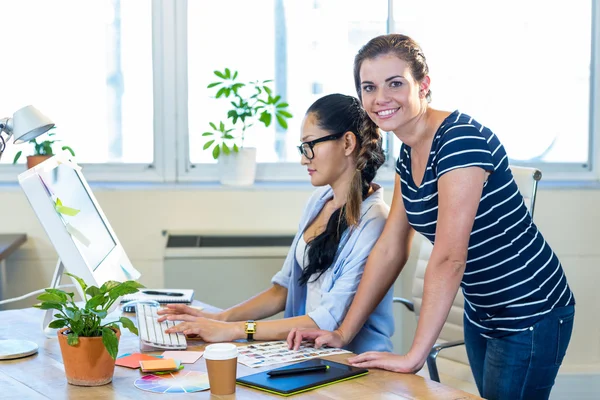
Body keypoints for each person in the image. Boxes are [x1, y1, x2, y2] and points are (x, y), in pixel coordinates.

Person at [287, 34, 575, 400]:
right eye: (369, 87)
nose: (381, 98)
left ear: (423, 85)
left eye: (395, 83)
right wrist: (343, 333)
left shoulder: (459, 141)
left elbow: (450, 256)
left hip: (530, 309)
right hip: (482, 309)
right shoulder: (409, 154)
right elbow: (390, 248)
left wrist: (413, 357)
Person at [157, 93, 394, 354]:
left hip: (353, 362)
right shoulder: (319, 201)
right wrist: (219, 318)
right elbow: (282, 290)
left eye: (309, 145)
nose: (304, 158)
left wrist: (236, 330)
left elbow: (327, 321)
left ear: (347, 142)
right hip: (308, 353)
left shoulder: (374, 221)